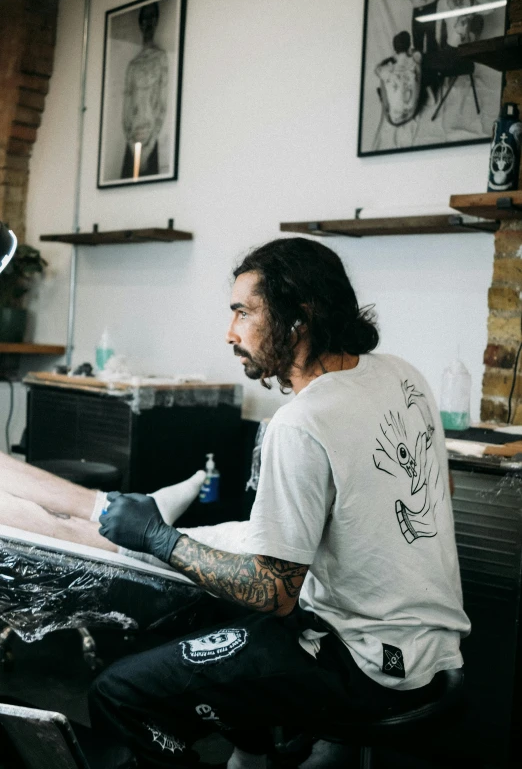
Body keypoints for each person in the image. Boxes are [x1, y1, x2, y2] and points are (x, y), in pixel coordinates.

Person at [86, 237, 470, 769]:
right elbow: (435, 494)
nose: (230, 333)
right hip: (435, 649)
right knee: (210, 604)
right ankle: (259, 754)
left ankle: (297, 740)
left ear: (298, 317)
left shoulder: (301, 423)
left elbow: (273, 593)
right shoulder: (401, 374)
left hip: (365, 670)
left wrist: (158, 536)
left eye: (244, 313)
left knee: (118, 693)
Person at [120, 1, 168, 179]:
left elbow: (162, 105)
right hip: (133, 139)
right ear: (140, 22)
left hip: (151, 138)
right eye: (145, 18)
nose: (149, 22)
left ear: (157, 21)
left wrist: (151, 139)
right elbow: (126, 109)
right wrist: (131, 140)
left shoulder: (161, 58)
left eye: (152, 17)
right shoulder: (133, 66)